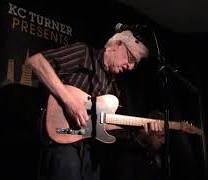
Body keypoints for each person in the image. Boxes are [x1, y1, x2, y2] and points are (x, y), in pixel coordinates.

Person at [27, 30, 163, 180]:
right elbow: (37, 61)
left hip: (90, 152)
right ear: (117, 45)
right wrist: (70, 102)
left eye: (134, 64)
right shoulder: (83, 53)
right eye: (130, 58)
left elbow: (104, 126)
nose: (130, 67)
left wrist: (142, 129)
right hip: (63, 139)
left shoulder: (115, 87)